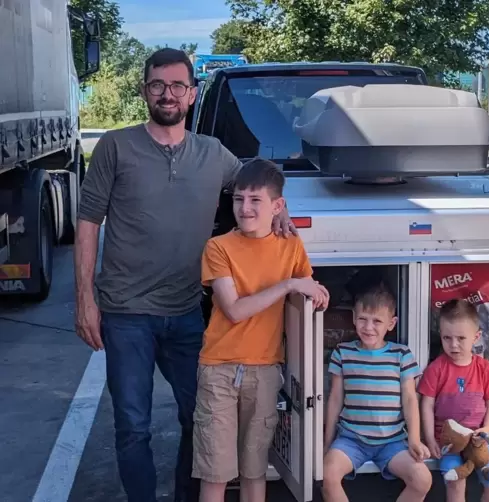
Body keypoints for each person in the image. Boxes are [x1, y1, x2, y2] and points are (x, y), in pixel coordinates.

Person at [73, 48, 296, 502]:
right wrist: (85, 300)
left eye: (177, 85)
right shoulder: (116, 147)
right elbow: (88, 223)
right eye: (158, 85)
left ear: (192, 94)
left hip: (189, 314)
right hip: (125, 314)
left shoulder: (213, 153)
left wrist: (280, 208)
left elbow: (255, 181)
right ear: (144, 91)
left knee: (201, 419)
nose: (167, 94)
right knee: (132, 426)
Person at [193, 158, 329, 502]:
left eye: (256, 200)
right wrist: (288, 284)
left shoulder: (291, 245)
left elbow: (308, 289)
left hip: (266, 370)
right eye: (239, 199)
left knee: (255, 471)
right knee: (216, 473)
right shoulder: (218, 247)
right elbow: (235, 310)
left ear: (278, 206)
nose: (245, 208)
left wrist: (319, 293)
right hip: (219, 371)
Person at [322, 282, 433, 502]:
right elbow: (335, 398)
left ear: (391, 324)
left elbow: (410, 400)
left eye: (377, 321)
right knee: (327, 475)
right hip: (351, 439)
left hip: (392, 441)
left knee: (422, 479)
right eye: (362, 318)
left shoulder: (401, 355)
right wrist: (326, 441)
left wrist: (414, 439)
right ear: (354, 318)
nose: (368, 327)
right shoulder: (343, 352)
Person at [418, 299, 489, 502]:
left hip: (478, 440)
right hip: (449, 443)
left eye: (461, 338)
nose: (453, 345)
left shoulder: (484, 368)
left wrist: (486, 430)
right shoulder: (436, 369)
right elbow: (427, 405)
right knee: (455, 481)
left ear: (476, 337)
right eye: (447, 338)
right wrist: (430, 439)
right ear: (440, 335)